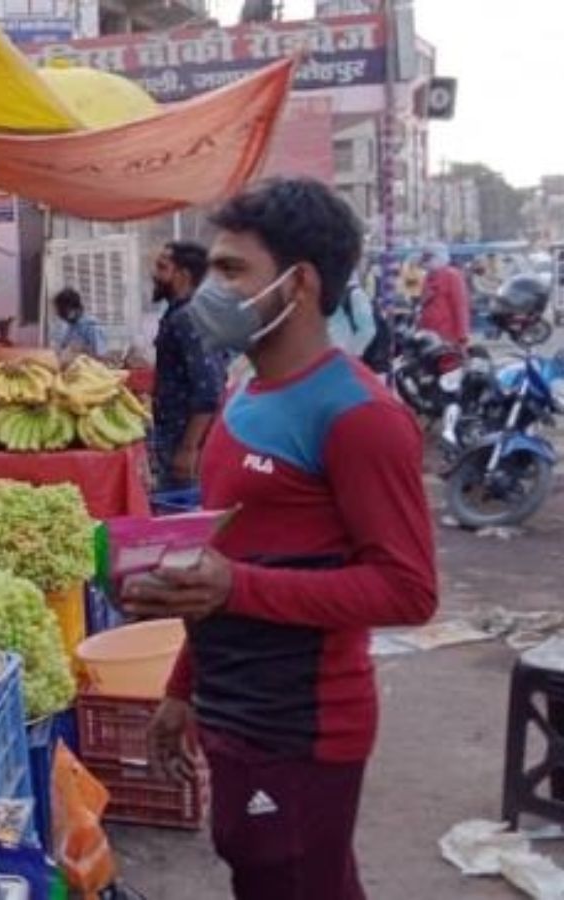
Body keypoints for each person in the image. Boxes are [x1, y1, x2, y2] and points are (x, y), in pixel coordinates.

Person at [124, 178, 437, 900]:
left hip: (304, 723)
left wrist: (236, 588)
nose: (211, 288)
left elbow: (409, 589)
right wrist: (182, 691)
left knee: (294, 876)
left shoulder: (360, 415)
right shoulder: (244, 396)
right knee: (268, 870)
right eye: (212, 268)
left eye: (233, 271)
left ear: (299, 284)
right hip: (233, 707)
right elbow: (226, 561)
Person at [149, 240, 224, 489]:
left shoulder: (188, 317)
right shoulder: (180, 313)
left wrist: (188, 448)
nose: (154, 274)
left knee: (183, 516)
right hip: (175, 434)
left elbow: (209, 389)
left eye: (162, 267)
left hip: (185, 439)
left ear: (183, 276)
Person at [417, 242, 470, 346]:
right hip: (429, 333)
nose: (425, 264)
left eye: (428, 259)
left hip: (447, 333)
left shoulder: (452, 276)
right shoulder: (428, 277)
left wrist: (462, 334)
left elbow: (460, 306)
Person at [52, 288, 105, 358]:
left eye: (63, 312)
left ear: (74, 308)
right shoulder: (68, 326)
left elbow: (100, 355)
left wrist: (82, 349)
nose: (60, 316)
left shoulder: (91, 326)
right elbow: (62, 347)